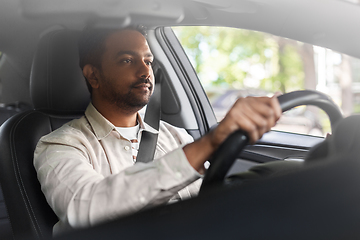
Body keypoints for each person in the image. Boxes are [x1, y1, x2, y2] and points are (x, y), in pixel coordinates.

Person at [34, 26, 281, 234]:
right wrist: (208, 144)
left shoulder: (174, 136)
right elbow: (86, 210)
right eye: (127, 60)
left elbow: (209, 202)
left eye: (148, 61)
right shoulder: (60, 145)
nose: (145, 71)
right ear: (93, 75)